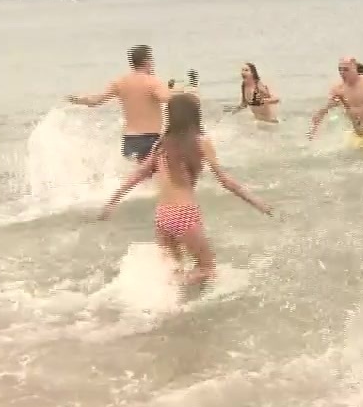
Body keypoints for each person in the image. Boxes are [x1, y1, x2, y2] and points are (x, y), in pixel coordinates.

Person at [100, 93, 272, 285]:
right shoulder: (200, 143)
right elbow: (225, 181)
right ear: (194, 116)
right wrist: (258, 202)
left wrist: (112, 201)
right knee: (208, 269)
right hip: (183, 213)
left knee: (174, 269)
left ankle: (165, 304)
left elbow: (139, 174)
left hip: (162, 215)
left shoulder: (161, 144)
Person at [67, 45, 171, 164]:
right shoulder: (153, 82)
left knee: (133, 175)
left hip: (129, 140)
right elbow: (167, 98)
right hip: (150, 139)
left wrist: (77, 99)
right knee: (152, 177)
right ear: (146, 61)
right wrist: (183, 93)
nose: (153, 64)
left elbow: (95, 101)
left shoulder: (120, 82)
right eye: (151, 60)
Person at [308, 56, 363, 154]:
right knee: (346, 161)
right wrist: (314, 130)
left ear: (354, 69)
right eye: (340, 70)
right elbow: (324, 110)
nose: (342, 73)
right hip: (356, 135)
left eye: (346, 70)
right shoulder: (338, 89)